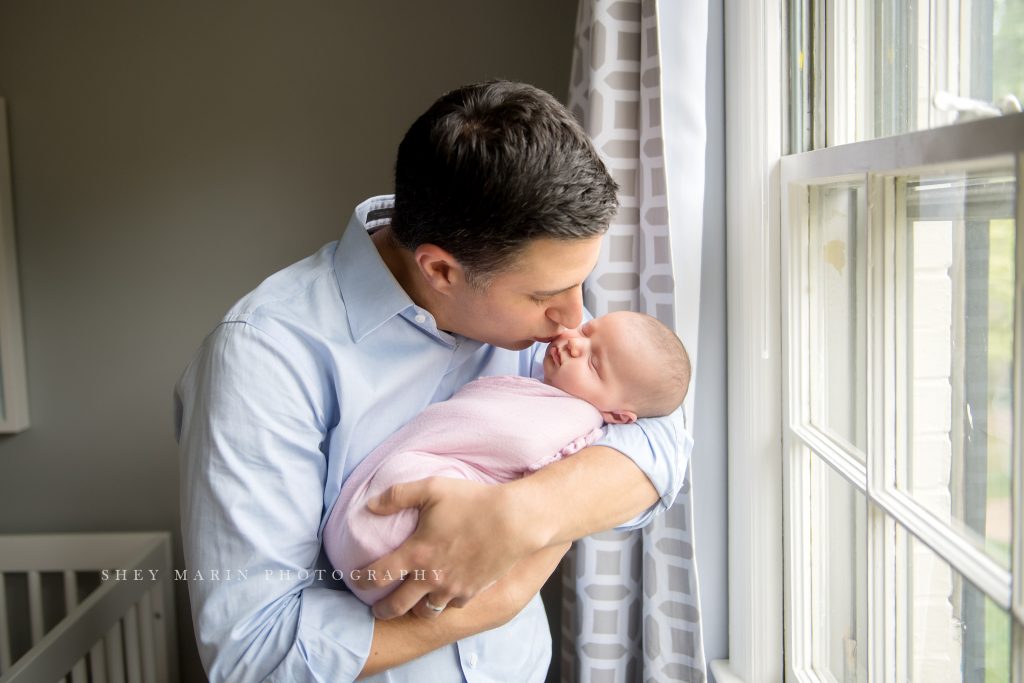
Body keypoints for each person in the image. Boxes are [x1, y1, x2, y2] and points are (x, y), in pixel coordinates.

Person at [174, 80, 693, 682]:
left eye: (581, 284)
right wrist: (489, 605)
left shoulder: (548, 314)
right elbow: (256, 656)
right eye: (547, 296)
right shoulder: (264, 359)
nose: (575, 318)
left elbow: (662, 434)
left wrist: (523, 516)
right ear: (441, 270)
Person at [326, 311, 691, 605]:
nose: (574, 342)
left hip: (409, 545)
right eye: (586, 329)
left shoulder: (575, 423)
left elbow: (667, 441)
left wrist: (523, 512)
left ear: (617, 416)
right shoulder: (564, 372)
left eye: (594, 364)